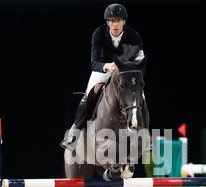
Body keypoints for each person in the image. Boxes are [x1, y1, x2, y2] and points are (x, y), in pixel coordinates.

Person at [60, 3, 145, 150]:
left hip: (125, 73)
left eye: (118, 20)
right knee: (87, 95)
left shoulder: (133, 35)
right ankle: (74, 131)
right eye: (111, 21)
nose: (114, 24)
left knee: (141, 96)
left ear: (124, 21)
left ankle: (145, 134)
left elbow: (140, 58)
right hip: (103, 71)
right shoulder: (98, 34)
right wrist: (107, 66)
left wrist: (128, 69)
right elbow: (94, 62)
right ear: (107, 23)